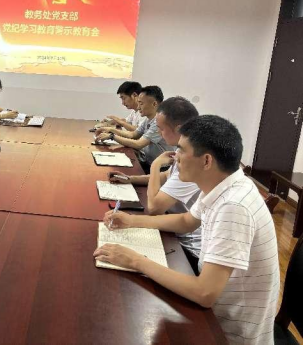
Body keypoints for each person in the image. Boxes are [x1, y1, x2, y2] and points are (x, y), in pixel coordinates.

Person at [95, 115, 279, 346]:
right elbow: (186, 221)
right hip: (212, 310)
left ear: (206, 161)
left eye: (181, 150)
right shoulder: (223, 184)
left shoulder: (234, 206)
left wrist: (135, 261)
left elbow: (205, 293)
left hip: (226, 332)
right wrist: (132, 221)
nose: (176, 156)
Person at [111, 97, 202, 273]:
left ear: (178, 129)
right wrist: (130, 179)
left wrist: (155, 165)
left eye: (161, 128)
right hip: (172, 228)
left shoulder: (192, 160)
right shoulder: (182, 149)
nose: (159, 133)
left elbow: (154, 208)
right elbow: (167, 175)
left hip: (186, 248)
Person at [97, 86, 175, 171]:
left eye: (141, 103)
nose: (138, 107)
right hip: (147, 161)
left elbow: (139, 144)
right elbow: (133, 134)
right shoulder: (148, 119)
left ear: (154, 104)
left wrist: (112, 136)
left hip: (160, 168)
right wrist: (111, 130)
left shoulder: (158, 122)